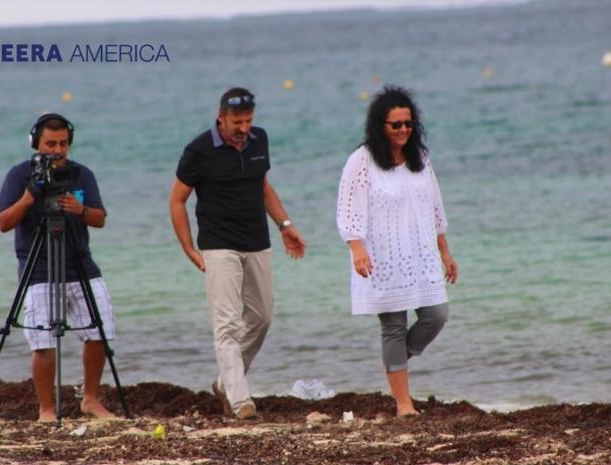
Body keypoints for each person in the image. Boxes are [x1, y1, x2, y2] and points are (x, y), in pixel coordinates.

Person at [169, 87, 306, 420]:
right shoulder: (199, 150)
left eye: (248, 120)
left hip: (257, 240)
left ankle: (225, 382)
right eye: (237, 122)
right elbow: (177, 200)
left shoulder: (259, 140)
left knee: (262, 318)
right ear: (221, 117)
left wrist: (285, 224)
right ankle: (240, 400)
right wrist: (188, 247)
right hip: (218, 245)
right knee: (227, 324)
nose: (244, 128)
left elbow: (262, 186)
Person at [336, 86, 458, 416]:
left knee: (437, 315)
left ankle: (395, 361)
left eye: (408, 123)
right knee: (393, 326)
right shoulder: (361, 161)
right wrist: (356, 248)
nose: (404, 129)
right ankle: (404, 404)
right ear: (380, 125)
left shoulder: (420, 158)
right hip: (382, 257)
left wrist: (445, 252)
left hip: (421, 256)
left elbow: (434, 208)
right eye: (396, 125)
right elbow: (348, 211)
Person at [0, 113, 116, 422]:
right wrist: (28, 197)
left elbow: (100, 218)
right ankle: (46, 409)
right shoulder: (19, 175)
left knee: (100, 329)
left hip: (80, 263)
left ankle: (90, 399)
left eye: (63, 144)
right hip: (39, 269)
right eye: (50, 144)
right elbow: (3, 223)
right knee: (44, 340)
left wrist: (81, 209)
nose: (57, 151)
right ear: (36, 142)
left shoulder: (81, 174)